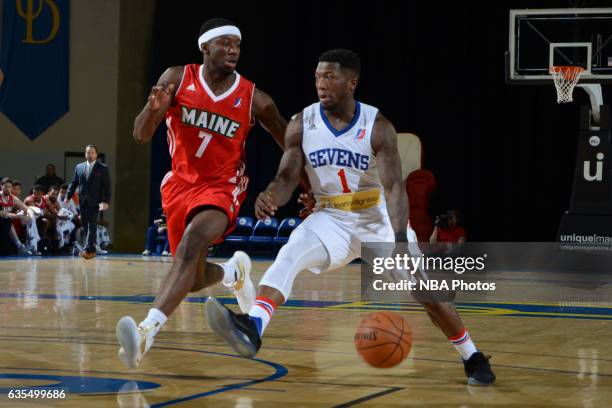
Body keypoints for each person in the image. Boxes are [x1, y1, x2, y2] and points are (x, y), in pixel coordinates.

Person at [206, 49, 495, 386]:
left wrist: (401, 238)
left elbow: (395, 189)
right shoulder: (302, 123)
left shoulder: (378, 126)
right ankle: (252, 327)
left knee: (425, 290)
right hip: (331, 217)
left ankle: (472, 356)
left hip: (376, 217)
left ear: (352, 82)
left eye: (330, 76)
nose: (321, 83)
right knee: (290, 252)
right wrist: (271, 195)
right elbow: (287, 176)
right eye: (317, 77)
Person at [115, 18, 289, 369]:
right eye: (225, 43)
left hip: (222, 185)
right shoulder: (177, 78)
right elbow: (139, 134)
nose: (233, 50)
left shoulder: (255, 99)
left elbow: (291, 145)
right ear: (205, 47)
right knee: (191, 277)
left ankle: (147, 332)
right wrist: (152, 109)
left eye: (237, 45)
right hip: (181, 185)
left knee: (192, 242)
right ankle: (231, 274)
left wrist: (302, 185)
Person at [65, 145, 111, 259]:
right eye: (88, 153)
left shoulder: (102, 168)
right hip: (83, 201)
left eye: (92, 153)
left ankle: (87, 250)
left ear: (96, 154)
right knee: (86, 225)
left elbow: (107, 187)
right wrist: (68, 196)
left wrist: (106, 202)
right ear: (85, 154)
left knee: (92, 225)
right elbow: (74, 182)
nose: (90, 155)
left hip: (96, 202)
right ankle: (92, 249)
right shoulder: (79, 167)